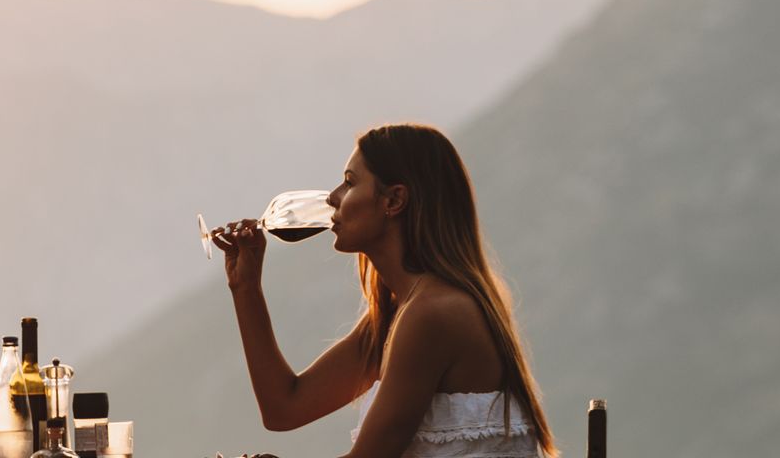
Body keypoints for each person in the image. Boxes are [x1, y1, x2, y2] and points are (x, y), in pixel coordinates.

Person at [212, 123, 557, 458]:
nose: (332, 198)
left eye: (349, 183)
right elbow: (284, 408)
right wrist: (245, 288)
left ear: (393, 200)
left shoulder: (432, 314)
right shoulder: (399, 314)